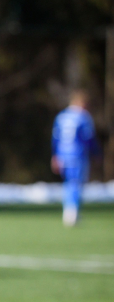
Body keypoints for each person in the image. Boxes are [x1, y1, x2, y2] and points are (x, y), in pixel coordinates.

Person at [51, 90, 100, 226]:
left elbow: (55, 138)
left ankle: (68, 211)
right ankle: (72, 213)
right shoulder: (83, 117)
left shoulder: (61, 116)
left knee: (68, 183)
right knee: (76, 183)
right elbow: (88, 138)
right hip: (78, 155)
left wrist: (54, 155)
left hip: (62, 155)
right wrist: (96, 154)